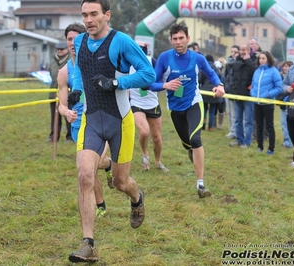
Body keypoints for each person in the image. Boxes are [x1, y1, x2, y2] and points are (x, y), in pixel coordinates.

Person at [68, 0, 156, 262]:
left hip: (120, 122)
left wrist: (117, 82)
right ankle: (89, 244)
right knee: (85, 175)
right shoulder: (79, 42)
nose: (89, 20)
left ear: (106, 15)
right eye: (84, 15)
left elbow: (148, 74)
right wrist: (76, 90)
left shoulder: (122, 41)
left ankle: (136, 196)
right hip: (91, 120)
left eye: (94, 14)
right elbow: (79, 72)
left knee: (120, 182)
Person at [150, 22, 225, 198]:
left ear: (188, 39)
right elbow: (150, 84)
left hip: (193, 103)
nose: (178, 42)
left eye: (181, 38)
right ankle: (192, 151)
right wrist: (165, 85)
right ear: (171, 40)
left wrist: (219, 85)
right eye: (174, 39)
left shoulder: (197, 58)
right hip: (175, 109)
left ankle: (200, 184)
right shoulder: (164, 58)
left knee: (195, 138)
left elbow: (211, 73)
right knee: (188, 144)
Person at [57, 22, 113, 219]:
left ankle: (107, 166)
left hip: (99, 120)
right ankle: (101, 205)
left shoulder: (97, 63)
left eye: (76, 39)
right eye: (69, 39)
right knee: (88, 169)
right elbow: (61, 104)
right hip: (78, 124)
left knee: (93, 164)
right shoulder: (64, 72)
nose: (72, 43)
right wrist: (66, 113)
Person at [129, 41, 169, 172]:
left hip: (152, 103)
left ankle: (158, 162)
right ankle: (145, 154)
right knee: (144, 131)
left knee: (156, 137)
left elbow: (162, 80)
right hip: (136, 103)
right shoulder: (127, 64)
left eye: (142, 49)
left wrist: (152, 83)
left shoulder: (152, 62)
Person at [250, 51, 282, 155]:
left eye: (263, 58)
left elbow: (279, 88)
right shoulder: (257, 71)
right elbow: (253, 84)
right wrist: (252, 93)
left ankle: (271, 148)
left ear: (268, 59)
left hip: (268, 103)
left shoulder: (274, 71)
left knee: (269, 126)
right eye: (260, 58)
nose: (261, 60)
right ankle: (260, 146)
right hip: (257, 103)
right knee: (259, 125)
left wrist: (268, 94)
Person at [228, 44, 256, 148]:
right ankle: (239, 140)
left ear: (249, 51)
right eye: (241, 49)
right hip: (237, 94)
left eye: (244, 50)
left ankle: (247, 142)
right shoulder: (237, 61)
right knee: (237, 120)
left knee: (248, 121)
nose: (242, 51)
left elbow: (253, 72)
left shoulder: (252, 61)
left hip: (248, 96)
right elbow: (233, 75)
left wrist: (248, 60)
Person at [46, 41, 72, 142]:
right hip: (53, 92)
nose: (60, 51)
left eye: (62, 49)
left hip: (67, 93)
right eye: (58, 49)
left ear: (67, 49)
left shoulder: (71, 61)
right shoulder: (52, 61)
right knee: (54, 116)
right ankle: (53, 136)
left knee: (68, 115)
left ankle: (70, 136)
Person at [282, 47, 294, 167]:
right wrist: (287, 88)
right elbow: (283, 84)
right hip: (292, 106)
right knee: (292, 132)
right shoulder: (291, 69)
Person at [200, 54, 222, 131]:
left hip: (205, 91)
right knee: (212, 110)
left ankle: (203, 125)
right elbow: (219, 78)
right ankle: (210, 127)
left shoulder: (203, 67)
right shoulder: (216, 68)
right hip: (214, 91)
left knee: (204, 109)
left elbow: (200, 79)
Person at [224, 45, 240, 139]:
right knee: (229, 112)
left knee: (234, 113)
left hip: (235, 91)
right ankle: (231, 130)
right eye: (232, 51)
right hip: (228, 90)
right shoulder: (228, 63)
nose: (233, 54)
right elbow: (226, 76)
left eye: (235, 52)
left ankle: (235, 131)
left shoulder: (239, 63)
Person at [278, 61, 294, 148]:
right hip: (283, 103)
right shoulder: (280, 76)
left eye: (287, 66)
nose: (285, 68)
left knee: (291, 124)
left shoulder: (293, 77)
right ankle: (287, 141)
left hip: (292, 103)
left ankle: (290, 141)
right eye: (284, 66)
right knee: (283, 123)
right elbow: (281, 88)